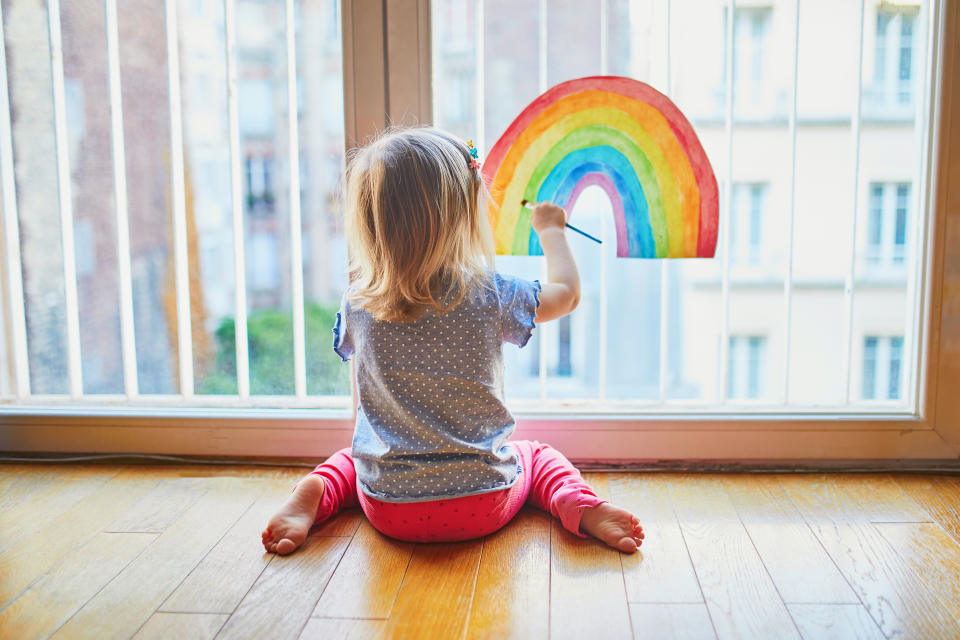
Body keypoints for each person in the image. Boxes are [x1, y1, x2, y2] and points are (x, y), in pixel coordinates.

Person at [261, 127, 643, 555]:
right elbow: (567, 294)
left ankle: (311, 494)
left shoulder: (358, 303)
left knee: (351, 461)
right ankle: (580, 505)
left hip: (389, 507)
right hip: (482, 503)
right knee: (537, 456)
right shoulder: (492, 293)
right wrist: (552, 231)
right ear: (463, 216)